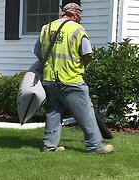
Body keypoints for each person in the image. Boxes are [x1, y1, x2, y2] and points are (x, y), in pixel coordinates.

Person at [34, 3, 114, 153]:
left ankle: (49, 146)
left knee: (54, 112)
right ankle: (95, 146)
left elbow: (38, 52)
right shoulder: (77, 29)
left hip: (50, 79)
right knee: (86, 113)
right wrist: (82, 66)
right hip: (71, 79)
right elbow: (88, 54)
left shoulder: (46, 28)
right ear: (76, 15)